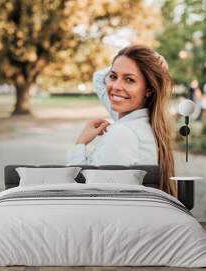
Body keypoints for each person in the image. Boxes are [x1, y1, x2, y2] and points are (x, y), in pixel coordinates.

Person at [66, 45, 176, 196]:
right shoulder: (142, 119)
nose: (116, 86)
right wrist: (150, 62)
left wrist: (80, 143)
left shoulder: (123, 133)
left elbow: (80, 189)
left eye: (129, 80)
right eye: (113, 77)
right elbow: (99, 78)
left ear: (149, 89)